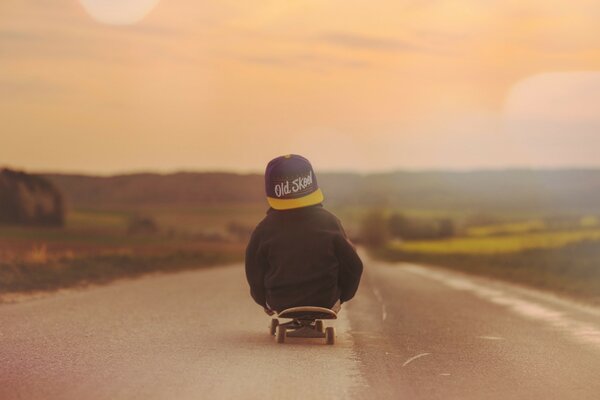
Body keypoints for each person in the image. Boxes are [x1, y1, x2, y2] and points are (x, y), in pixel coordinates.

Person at [245, 154, 363, 315]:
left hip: (279, 301)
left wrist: (263, 300)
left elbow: (254, 270)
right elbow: (353, 266)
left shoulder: (264, 228)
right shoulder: (330, 222)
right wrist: (342, 297)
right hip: (325, 300)